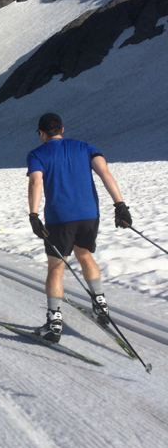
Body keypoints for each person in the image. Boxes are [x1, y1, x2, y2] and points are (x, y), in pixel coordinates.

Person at [27, 112, 132, 343]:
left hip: (59, 218)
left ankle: (54, 323)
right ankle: (100, 305)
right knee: (84, 255)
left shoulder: (37, 154)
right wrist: (120, 205)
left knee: (56, 267)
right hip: (89, 215)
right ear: (62, 130)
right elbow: (105, 173)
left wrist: (33, 215)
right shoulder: (86, 147)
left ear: (41, 133)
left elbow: (36, 182)